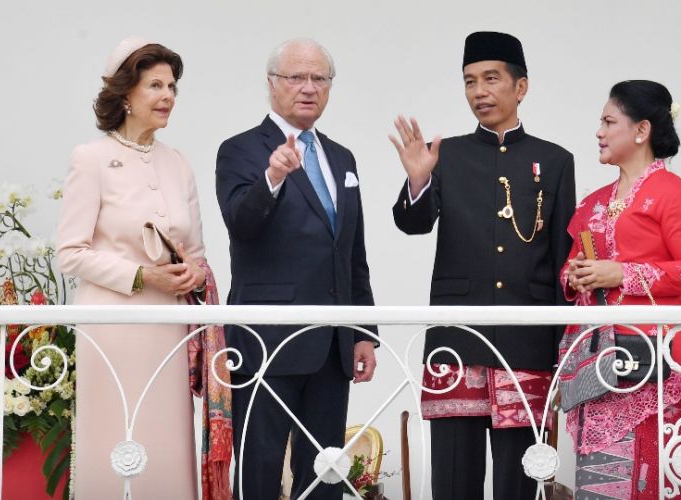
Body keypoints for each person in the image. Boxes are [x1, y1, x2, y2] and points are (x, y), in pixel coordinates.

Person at [390, 31, 576, 499]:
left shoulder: (555, 161)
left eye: (492, 79)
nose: (479, 92)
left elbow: (560, 258)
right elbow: (412, 224)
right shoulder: (444, 154)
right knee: (453, 480)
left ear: (521, 87)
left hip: (527, 343)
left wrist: (560, 354)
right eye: (470, 81)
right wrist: (417, 181)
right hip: (457, 339)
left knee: (521, 480)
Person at [56, 37, 229, 499]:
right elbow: (70, 253)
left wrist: (193, 272)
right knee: (113, 439)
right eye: (155, 85)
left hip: (168, 330)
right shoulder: (90, 159)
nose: (168, 95)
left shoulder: (178, 163)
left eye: (172, 86)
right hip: (113, 329)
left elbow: (196, 251)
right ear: (125, 94)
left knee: (167, 439)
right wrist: (141, 276)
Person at [215, 38, 377, 499]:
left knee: (326, 469)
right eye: (296, 77)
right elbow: (241, 225)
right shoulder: (240, 150)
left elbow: (351, 253)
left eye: (319, 79)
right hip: (268, 338)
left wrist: (362, 330)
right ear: (272, 84)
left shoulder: (341, 157)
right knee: (260, 465)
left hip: (331, 343)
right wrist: (273, 178)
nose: (308, 88)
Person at [561, 80, 681, 499]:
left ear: (641, 130)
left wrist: (620, 274)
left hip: (652, 361)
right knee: (600, 477)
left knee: (650, 472)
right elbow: (572, 264)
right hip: (597, 361)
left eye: (609, 122)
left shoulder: (672, 194)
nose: (599, 132)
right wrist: (576, 276)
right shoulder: (594, 202)